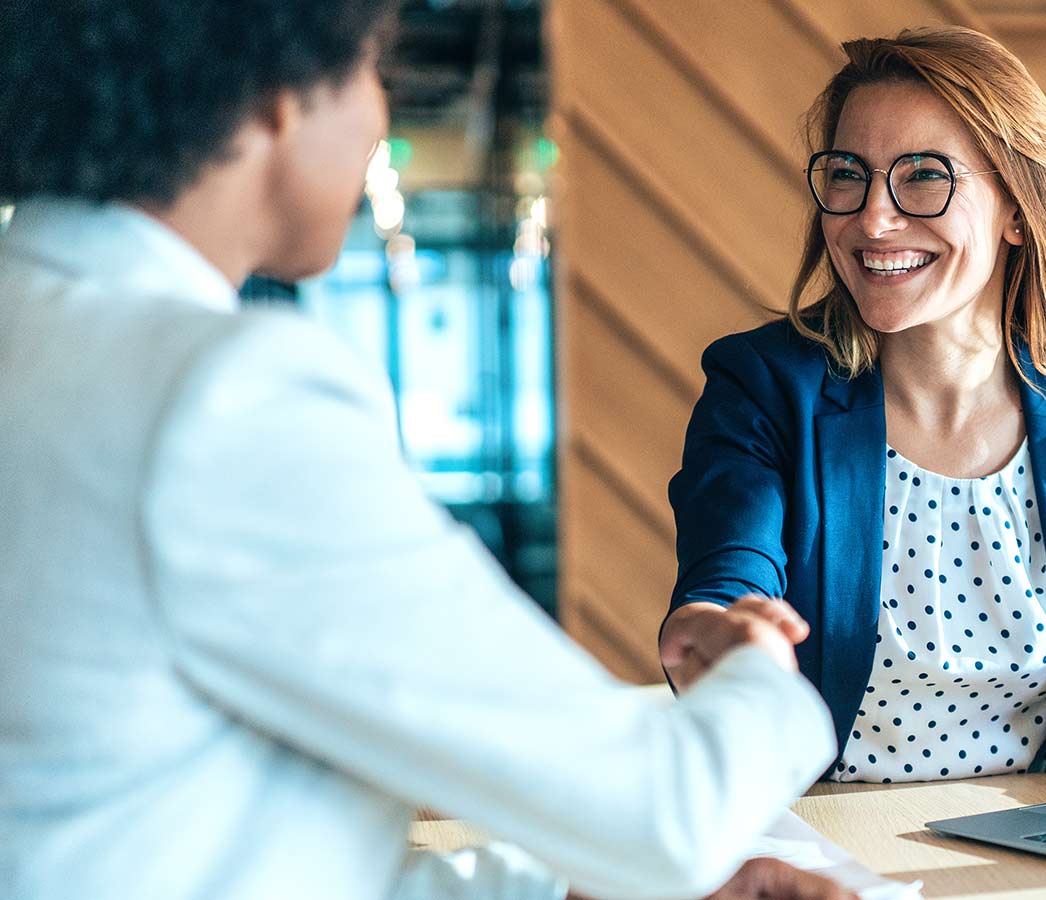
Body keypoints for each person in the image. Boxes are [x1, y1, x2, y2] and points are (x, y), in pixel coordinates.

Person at [0, 3, 851, 899]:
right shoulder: (222, 396)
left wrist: (562, 893)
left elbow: (175, 830)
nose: (381, 116)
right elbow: (670, 817)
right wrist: (761, 669)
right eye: (374, 71)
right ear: (278, 98)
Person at [658, 27, 1046, 784]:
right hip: (826, 842)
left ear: (1018, 209)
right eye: (848, 175)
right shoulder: (765, 385)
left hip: (1031, 838)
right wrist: (717, 634)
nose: (873, 220)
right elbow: (725, 582)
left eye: (925, 177)